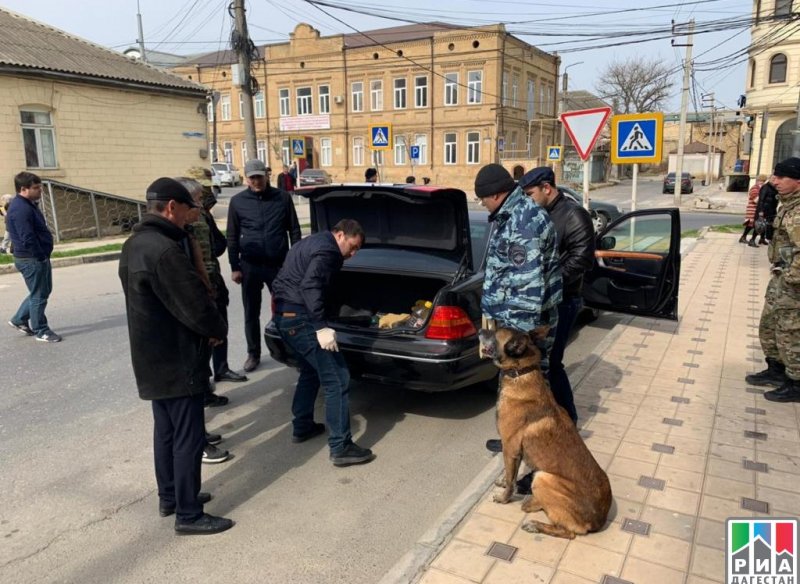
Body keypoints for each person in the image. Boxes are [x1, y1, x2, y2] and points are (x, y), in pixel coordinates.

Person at [119, 177, 233, 535]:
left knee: (166, 433)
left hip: (150, 357)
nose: (190, 218)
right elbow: (194, 306)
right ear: (171, 207)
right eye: (187, 211)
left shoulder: (134, 245)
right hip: (177, 358)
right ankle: (189, 513)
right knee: (188, 437)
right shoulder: (165, 251)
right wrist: (216, 329)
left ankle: (169, 497)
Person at [271, 219, 376, 467]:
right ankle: (341, 447)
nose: (353, 253)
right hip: (301, 320)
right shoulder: (328, 250)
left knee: (310, 371)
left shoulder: (309, 242)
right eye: (352, 246)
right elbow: (310, 284)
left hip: (283, 316)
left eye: (357, 249)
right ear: (339, 235)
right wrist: (320, 326)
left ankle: (303, 425)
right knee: (337, 379)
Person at [518, 167, 595, 423]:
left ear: (547, 189)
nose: (527, 200)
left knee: (551, 363)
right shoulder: (537, 215)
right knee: (536, 365)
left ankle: (568, 424)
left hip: (562, 301)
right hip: (538, 302)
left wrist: (547, 283)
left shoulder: (573, 215)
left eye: (530, 194)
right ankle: (531, 427)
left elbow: (581, 259)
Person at [227, 159, 301, 373]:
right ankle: (253, 353)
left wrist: (294, 262)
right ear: (246, 179)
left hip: (278, 265)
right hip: (250, 265)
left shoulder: (282, 198)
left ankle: (289, 348)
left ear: (267, 175)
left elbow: (294, 231)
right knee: (251, 311)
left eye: (260, 176)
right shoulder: (238, 202)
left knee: (286, 309)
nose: (256, 181)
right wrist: (235, 266)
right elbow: (232, 236)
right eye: (252, 178)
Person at [184, 168, 248, 386]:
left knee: (219, 327)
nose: (206, 198)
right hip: (207, 285)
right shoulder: (195, 219)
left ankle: (220, 369)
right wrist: (210, 289)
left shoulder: (201, 215)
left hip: (211, 282)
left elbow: (218, 244)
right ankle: (205, 384)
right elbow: (206, 259)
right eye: (202, 195)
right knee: (209, 333)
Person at [746, 157, 800, 403]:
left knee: (790, 331)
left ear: (797, 181)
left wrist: (789, 278)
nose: (774, 181)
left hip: (793, 284)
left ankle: (796, 383)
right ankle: (776, 369)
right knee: (769, 325)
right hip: (781, 278)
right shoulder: (787, 205)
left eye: (781, 177)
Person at [6, 172, 62, 342]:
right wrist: (40, 256)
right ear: (23, 189)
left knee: (41, 291)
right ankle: (41, 330)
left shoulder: (27, 204)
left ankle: (19, 319)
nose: (40, 191)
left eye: (40, 187)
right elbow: (27, 237)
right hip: (32, 259)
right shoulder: (20, 209)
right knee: (39, 295)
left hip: (36, 256)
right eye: (36, 188)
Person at [756, 175, 779, 245]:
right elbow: (761, 200)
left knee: (767, 225)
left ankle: (762, 239)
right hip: (764, 209)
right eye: (772, 178)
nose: (774, 180)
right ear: (769, 179)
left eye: (775, 178)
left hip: (771, 209)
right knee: (760, 225)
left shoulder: (774, 188)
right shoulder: (765, 187)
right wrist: (760, 210)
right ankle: (752, 239)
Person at [740, 176, 763, 247]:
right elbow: (756, 200)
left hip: (755, 209)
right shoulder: (755, 188)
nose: (763, 183)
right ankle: (746, 238)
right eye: (762, 181)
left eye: (764, 181)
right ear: (758, 181)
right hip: (752, 209)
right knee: (753, 225)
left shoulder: (759, 188)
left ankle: (743, 237)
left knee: (751, 225)